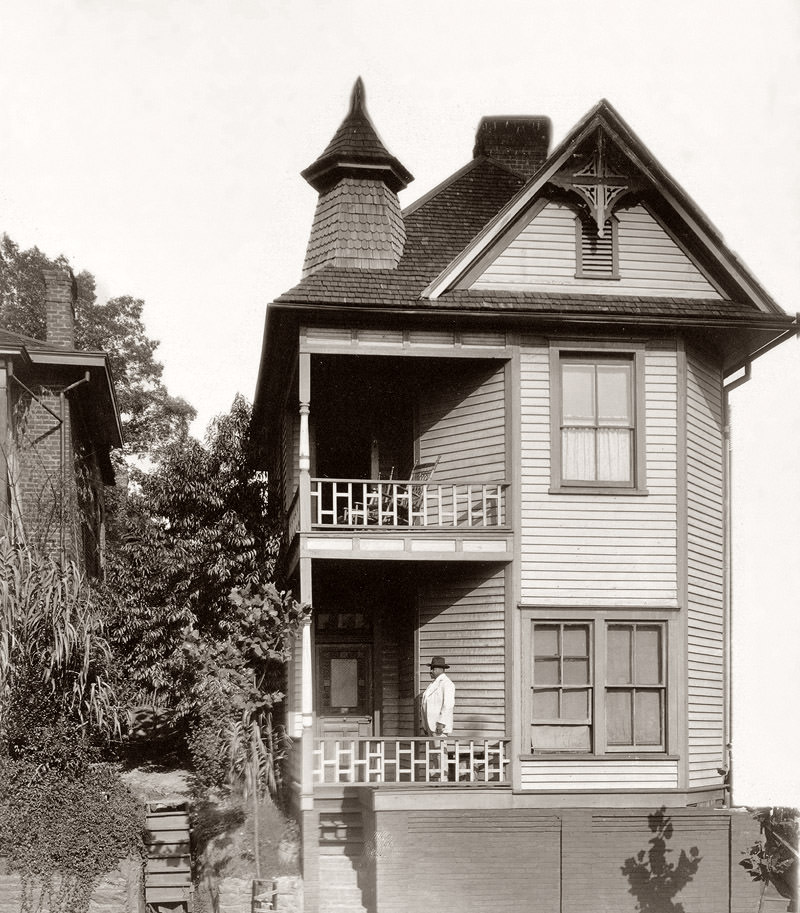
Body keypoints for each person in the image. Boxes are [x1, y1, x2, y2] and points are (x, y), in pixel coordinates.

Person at [421, 656, 455, 780]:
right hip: (430, 726)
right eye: (431, 668)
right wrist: (425, 724)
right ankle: (436, 779)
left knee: (440, 753)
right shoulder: (432, 684)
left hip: (439, 726)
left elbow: (448, 704)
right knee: (434, 753)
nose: (430, 671)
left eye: (433, 668)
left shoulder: (447, 684)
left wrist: (441, 722)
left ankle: (443, 780)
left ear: (441, 669)